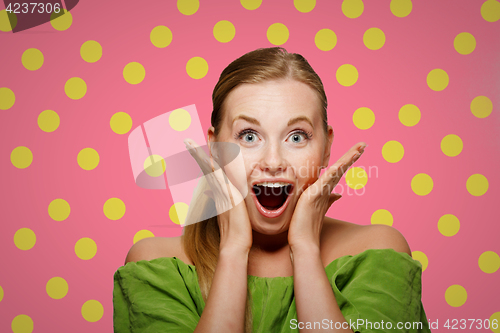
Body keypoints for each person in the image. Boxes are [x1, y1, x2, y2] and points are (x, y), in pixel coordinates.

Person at [113, 47, 431, 333]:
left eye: (296, 136)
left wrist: (305, 250)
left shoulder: (376, 252)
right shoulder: (155, 263)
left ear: (326, 147)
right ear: (215, 147)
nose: (273, 161)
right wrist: (233, 249)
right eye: (249, 136)